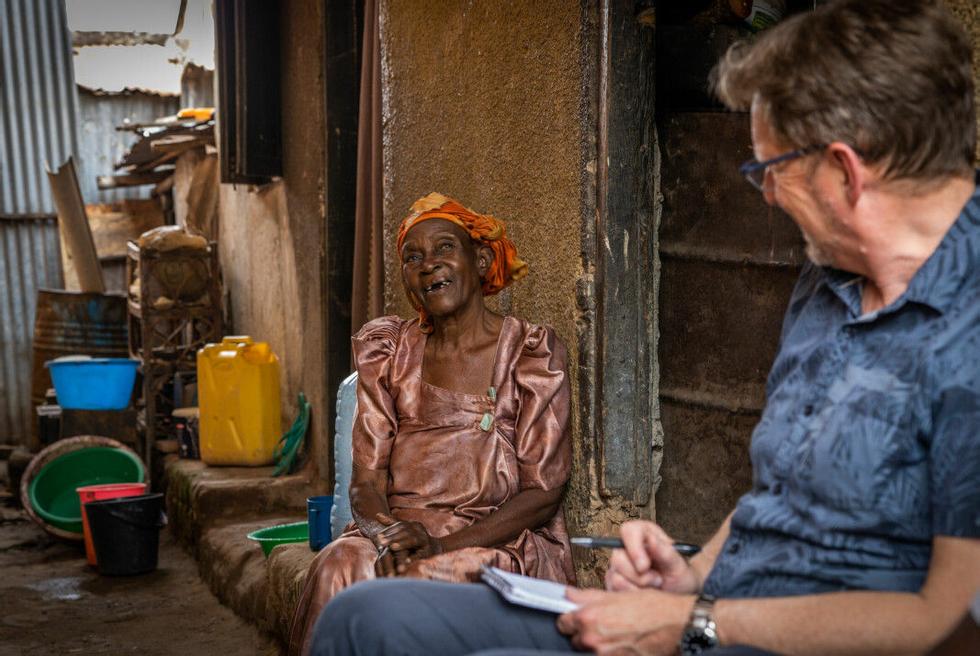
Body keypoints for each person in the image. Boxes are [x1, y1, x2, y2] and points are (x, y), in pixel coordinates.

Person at [308, 1, 980, 654]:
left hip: (760, 638)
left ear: (845, 170)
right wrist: (686, 577)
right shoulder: (830, 278)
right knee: (366, 615)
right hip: (705, 618)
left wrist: (700, 621)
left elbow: (948, 623)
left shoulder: (966, 332)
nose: (766, 194)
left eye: (769, 171)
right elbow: (775, 498)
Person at [287, 192, 576, 655]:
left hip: (492, 539)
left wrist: (441, 547)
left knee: (417, 580)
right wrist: (384, 533)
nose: (428, 265)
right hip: (399, 535)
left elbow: (543, 494)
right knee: (338, 564)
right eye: (413, 257)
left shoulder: (530, 353)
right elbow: (365, 481)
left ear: (480, 261)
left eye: (445, 248)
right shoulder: (390, 354)